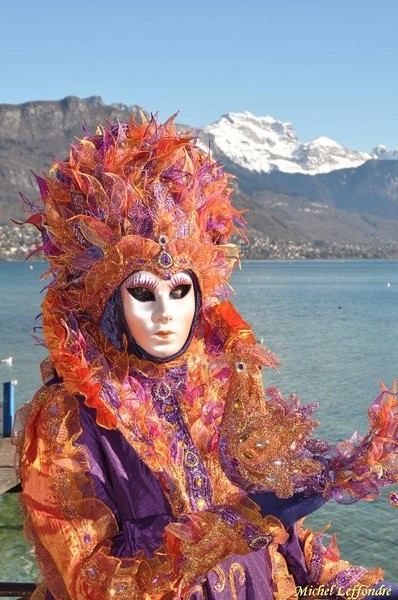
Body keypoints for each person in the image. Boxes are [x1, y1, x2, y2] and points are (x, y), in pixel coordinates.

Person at [14, 114, 398, 599]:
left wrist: (342, 582)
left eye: (179, 291)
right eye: (143, 294)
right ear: (108, 301)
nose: (165, 314)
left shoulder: (217, 386)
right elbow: (91, 581)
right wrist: (233, 525)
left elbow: (281, 536)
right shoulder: (69, 422)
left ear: (201, 293)